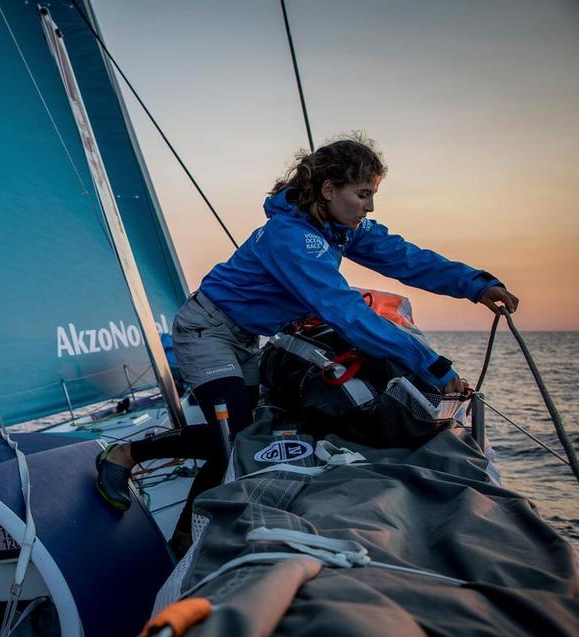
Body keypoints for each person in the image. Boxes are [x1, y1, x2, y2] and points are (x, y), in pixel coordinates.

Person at [96, 133, 519, 554]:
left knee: (235, 439)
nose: (369, 207)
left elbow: (405, 257)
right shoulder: (291, 238)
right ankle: (126, 453)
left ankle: (185, 537)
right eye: (363, 194)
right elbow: (346, 313)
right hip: (207, 330)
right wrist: (435, 367)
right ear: (329, 189)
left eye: (373, 195)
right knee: (234, 435)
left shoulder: (340, 229)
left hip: (246, 336)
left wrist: (475, 284)